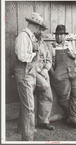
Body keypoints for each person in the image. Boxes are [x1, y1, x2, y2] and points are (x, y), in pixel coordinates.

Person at [15, 12, 54, 141]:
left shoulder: (31, 37)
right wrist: (34, 53)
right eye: (39, 28)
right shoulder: (23, 36)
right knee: (29, 108)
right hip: (25, 73)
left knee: (40, 90)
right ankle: (28, 138)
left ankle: (22, 127)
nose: (40, 31)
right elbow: (22, 56)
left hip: (31, 73)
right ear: (35, 26)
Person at [49, 25, 76, 128]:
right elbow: (48, 63)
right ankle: (72, 118)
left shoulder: (69, 45)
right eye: (57, 35)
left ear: (65, 36)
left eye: (61, 35)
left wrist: (73, 55)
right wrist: (54, 75)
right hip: (60, 77)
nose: (59, 37)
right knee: (64, 97)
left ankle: (73, 118)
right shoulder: (52, 47)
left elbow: (75, 56)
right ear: (55, 36)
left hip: (72, 73)